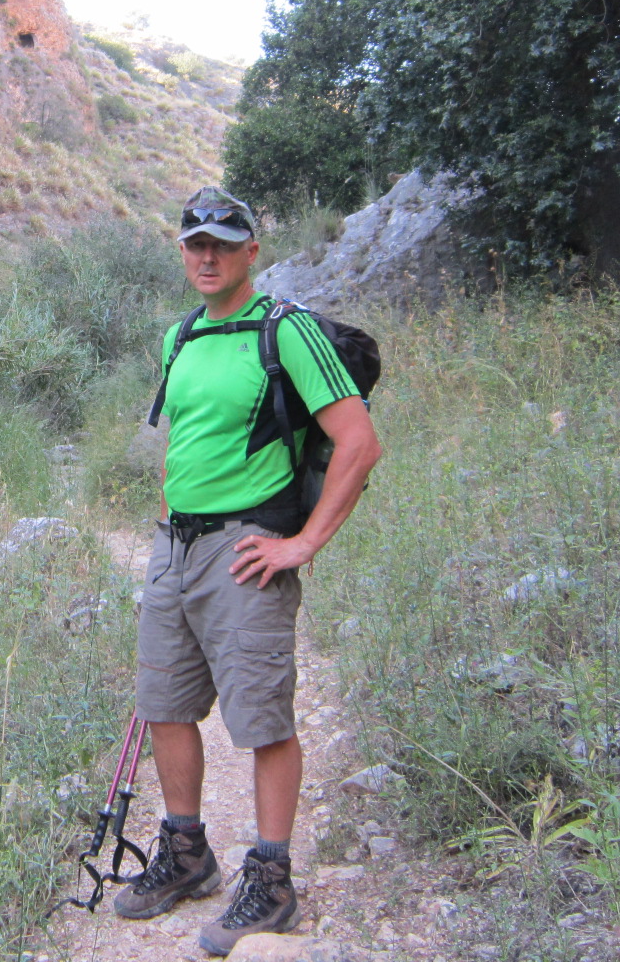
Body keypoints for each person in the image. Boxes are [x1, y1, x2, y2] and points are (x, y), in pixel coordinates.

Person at [113, 185, 382, 956]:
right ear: (183, 252)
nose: (208, 256)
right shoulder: (180, 336)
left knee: (262, 717)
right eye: (196, 243)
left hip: (246, 549)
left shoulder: (285, 330)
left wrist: (303, 544)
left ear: (251, 253)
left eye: (223, 245)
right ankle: (187, 854)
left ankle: (271, 880)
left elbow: (359, 442)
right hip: (175, 547)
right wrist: (166, 525)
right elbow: (182, 439)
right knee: (165, 704)